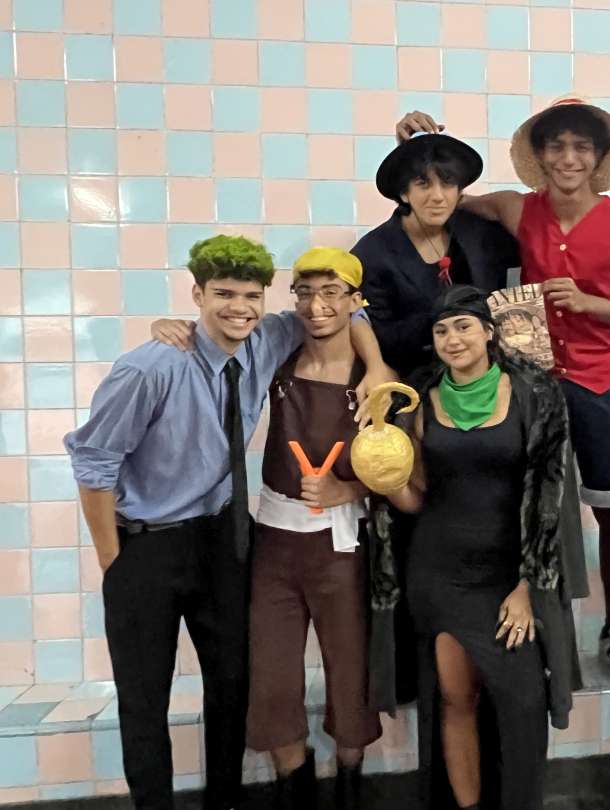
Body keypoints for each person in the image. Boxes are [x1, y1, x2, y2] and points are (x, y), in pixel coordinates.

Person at [63, 235, 391, 810]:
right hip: (147, 545)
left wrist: (379, 362)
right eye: (223, 295)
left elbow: (342, 307)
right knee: (144, 698)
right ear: (197, 295)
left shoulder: (267, 339)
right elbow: (93, 464)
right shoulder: (150, 368)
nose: (239, 308)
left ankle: (225, 801)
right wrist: (115, 561)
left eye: (251, 296)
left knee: (232, 683)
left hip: (221, 536)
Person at [396, 96, 610, 687]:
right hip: (530, 382)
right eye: (556, 146)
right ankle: (534, 626)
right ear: (539, 155)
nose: (569, 158)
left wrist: (588, 302)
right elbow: (441, 198)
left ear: (598, 156)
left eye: (582, 147)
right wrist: (413, 148)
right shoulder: (515, 208)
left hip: (599, 380)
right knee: (522, 502)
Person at [386, 285, 578, 810]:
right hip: (439, 572)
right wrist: (385, 479)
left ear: (489, 332)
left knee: (523, 705)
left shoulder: (535, 393)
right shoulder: (419, 397)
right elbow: (416, 497)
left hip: (508, 576)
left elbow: (551, 498)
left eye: (463, 326)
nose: (452, 339)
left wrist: (527, 585)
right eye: (441, 330)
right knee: (456, 700)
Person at [242, 248, 390, 809]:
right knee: (271, 678)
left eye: (332, 292)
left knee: (350, 674)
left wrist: (348, 491)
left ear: (355, 301)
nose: (316, 305)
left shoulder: (376, 383)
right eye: (305, 293)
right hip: (273, 545)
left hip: (341, 548)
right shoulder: (279, 356)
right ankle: (293, 788)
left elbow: (403, 471)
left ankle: (351, 786)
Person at [351, 130, 520, 381]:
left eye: (448, 183)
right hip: (416, 381)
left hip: (493, 377)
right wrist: (443, 318)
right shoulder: (372, 254)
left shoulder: (485, 236)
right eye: (423, 184)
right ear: (404, 193)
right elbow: (379, 337)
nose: (438, 196)